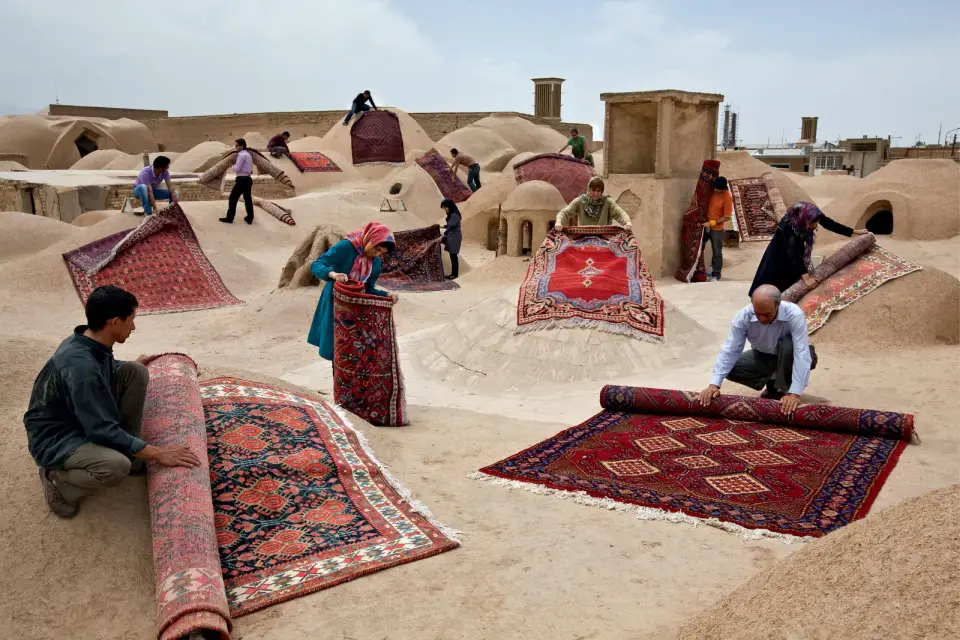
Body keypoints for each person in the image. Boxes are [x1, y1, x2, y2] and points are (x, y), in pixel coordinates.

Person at [23, 285, 201, 518]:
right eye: (131, 320)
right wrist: (158, 453)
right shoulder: (82, 369)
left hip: (79, 415)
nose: (134, 326)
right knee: (115, 466)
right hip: (56, 436)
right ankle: (57, 481)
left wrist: (134, 363)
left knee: (134, 371)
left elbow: (100, 373)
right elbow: (100, 430)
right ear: (115, 322)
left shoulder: (88, 341)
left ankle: (131, 455)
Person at [699, 284, 817, 416]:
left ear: (778, 305)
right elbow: (730, 349)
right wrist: (714, 385)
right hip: (763, 355)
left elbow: (801, 352)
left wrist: (794, 393)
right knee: (731, 368)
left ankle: (785, 389)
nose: (761, 319)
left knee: (788, 344)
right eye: (757, 313)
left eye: (767, 314)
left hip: (791, 354)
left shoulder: (794, 314)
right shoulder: (743, 315)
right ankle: (774, 383)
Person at [307, 223, 399, 361]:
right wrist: (332, 274)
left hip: (356, 307)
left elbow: (368, 288)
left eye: (381, 252)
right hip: (335, 302)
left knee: (352, 351)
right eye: (376, 248)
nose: (377, 254)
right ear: (369, 239)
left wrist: (386, 295)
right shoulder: (346, 247)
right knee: (336, 348)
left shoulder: (375, 262)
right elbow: (316, 265)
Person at [749, 202, 868, 295]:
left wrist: (854, 232)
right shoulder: (788, 226)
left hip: (794, 254)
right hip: (779, 255)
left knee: (791, 283)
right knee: (772, 286)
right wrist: (806, 277)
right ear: (803, 220)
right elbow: (794, 253)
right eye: (811, 225)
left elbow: (830, 224)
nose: (814, 227)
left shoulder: (811, 214)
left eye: (815, 224)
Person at [554, 176, 633, 231]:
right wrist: (559, 221)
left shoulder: (607, 202)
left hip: (604, 239)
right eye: (593, 190)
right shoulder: (581, 201)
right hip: (583, 239)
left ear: (602, 192)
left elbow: (619, 212)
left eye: (598, 191)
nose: (596, 193)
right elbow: (565, 212)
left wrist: (627, 222)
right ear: (589, 189)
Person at [702, 176, 733, 281]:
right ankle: (700, 271)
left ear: (724, 189)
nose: (715, 191)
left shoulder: (727, 197)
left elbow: (727, 217)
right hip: (705, 225)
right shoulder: (712, 190)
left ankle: (716, 275)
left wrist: (712, 223)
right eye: (715, 188)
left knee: (717, 252)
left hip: (717, 228)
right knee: (699, 248)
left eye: (718, 190)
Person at [219, 139, 255, 225]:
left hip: (241, 180)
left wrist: (232, 165)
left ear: (242, 146)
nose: (235, 147)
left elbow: (237, 168)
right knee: (247, 199)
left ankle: (229, 218)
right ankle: (250, 218)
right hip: (248, 179)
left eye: (236, 146)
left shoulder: (241, 155)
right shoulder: (248, 155)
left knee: (233, 198)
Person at [440, 199, 462, 280]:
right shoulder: (453, 215)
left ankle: (454, 274)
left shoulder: (454, 215)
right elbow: (450, 225)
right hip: (452, 236)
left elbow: (451, 227)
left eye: (445, 208)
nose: (445, 210)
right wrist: (441, 226)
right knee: (452, 256)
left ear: (449, 207)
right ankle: (453, 273)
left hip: (454, 237)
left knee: (453, 256)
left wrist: (444, 234)